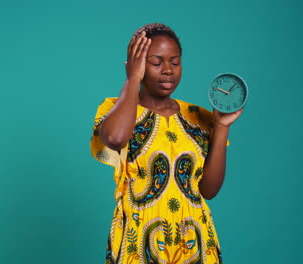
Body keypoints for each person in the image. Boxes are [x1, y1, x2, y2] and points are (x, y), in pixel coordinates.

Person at [90, 23, 242, 264]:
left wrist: (221, 126)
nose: (168, 70)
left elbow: (209, 190)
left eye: (175, 61)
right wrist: (132, 81)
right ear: (136, 65)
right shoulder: (115, 110)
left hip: (194, 239)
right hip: (139, 241)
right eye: (156, 62)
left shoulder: (198, 116)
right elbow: (116, 138)